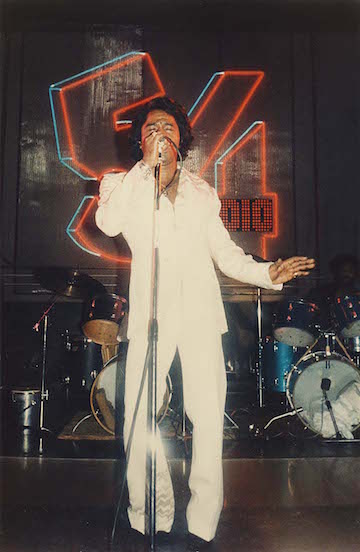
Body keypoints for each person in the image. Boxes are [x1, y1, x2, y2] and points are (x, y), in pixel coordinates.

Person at [95, 96, 315, 551]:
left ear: (182, 141)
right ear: (140, 139)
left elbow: (226, 255)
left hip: (199, 315)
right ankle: (149, 519)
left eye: (169, 129)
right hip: (152, 319)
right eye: (152, 128)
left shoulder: (202, 192)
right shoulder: (122, 183)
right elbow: (109, 222)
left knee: (208, 421)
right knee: (138, 425)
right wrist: (144, 170)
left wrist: (266, 272)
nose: (161, 134)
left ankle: (201, 528)